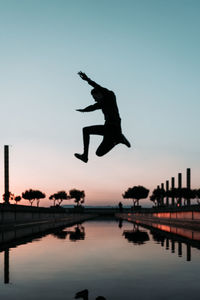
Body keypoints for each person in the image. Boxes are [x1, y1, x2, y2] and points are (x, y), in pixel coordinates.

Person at [75, 71, 131, 163]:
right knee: (99, 153)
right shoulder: (101, 103)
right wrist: (83, 110)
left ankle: (85, 156)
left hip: (113, 127)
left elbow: (97, 86)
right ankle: (117, 139)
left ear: (100, 93)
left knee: (86, 130)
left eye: (95, 97)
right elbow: (92, 107)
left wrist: (87, 79)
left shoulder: (110, 95)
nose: (94, 99)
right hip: (109, 131)